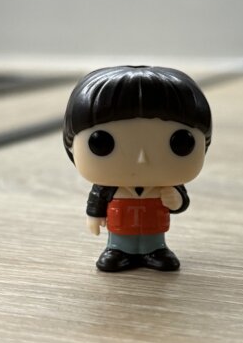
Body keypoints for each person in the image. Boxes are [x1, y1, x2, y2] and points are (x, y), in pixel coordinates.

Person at [63, 65, 212, 272]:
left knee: (153, 241)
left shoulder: (167, 186)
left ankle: (156, 250)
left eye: (180, 142)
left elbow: (181, 202)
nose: (142, 159)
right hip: (121, 229)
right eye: (102, 143)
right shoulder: (108, 186)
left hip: (154, 229)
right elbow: (97, 197)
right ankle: (117, 250)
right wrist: (94, 215)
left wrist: (175, 199)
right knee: (120, 244)